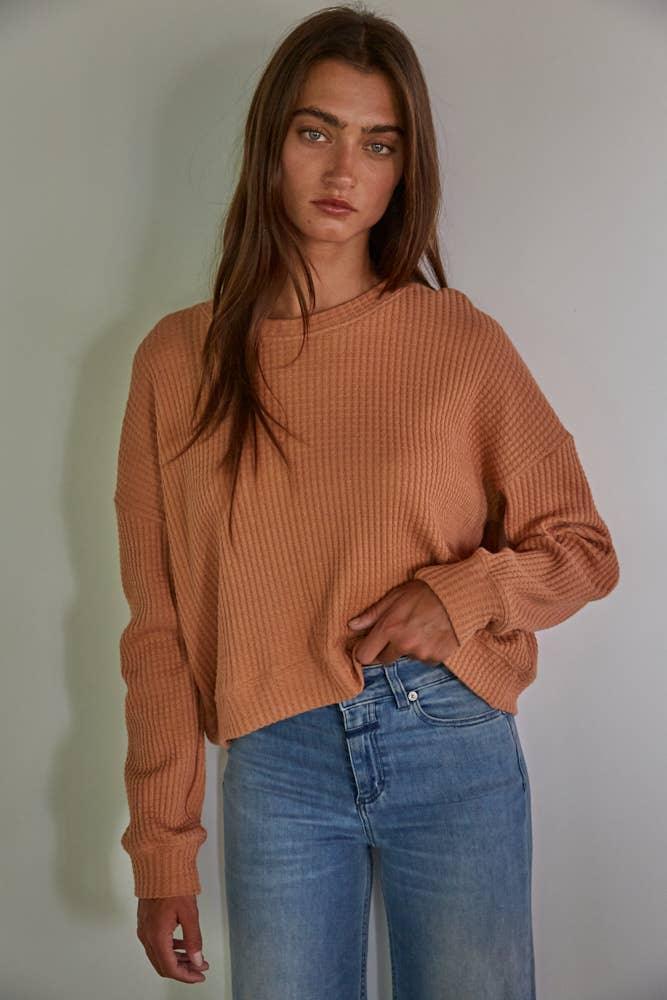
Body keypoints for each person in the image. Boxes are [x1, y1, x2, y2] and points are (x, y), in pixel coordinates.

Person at [112, 5, 620, 997]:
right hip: (277, 760)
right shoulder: (177, 361)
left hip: (449, 740)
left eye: (378, 144)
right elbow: (159, 627)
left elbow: (582, 548)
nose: (344, 170)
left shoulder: (455, 340)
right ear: (270, 144)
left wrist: (460, 595)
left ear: (401, 171)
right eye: (317, 132)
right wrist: (161, 849)